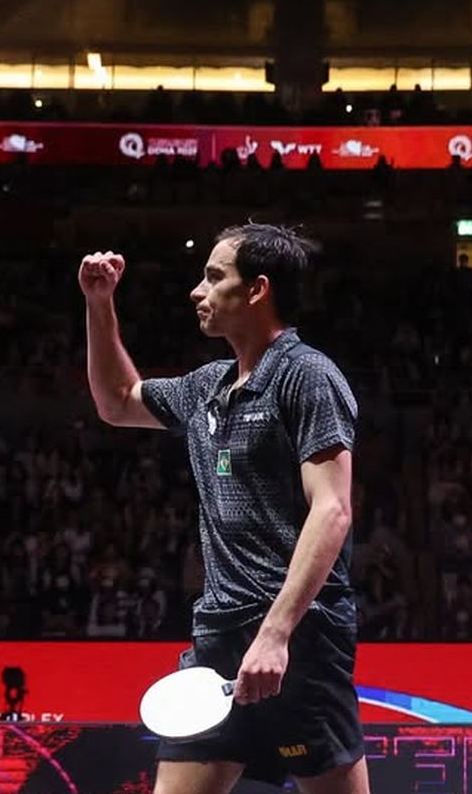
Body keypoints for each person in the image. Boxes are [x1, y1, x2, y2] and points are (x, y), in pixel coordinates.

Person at [80, 223, 369, 794]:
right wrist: (99, 304)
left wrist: (276, 633)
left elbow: (333, 509)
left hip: (299, 636)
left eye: (214, 277)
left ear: (257, 289)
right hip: (218, 635)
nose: (198, 290)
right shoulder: (206, 387)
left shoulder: (308, 377)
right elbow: (116, 402)